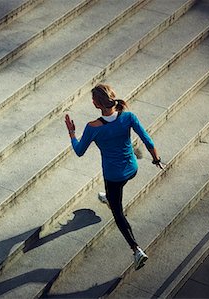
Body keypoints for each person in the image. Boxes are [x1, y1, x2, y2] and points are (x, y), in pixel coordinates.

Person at [64, 83, 164, 270]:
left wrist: (72, 133)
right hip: (132, 168)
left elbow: (79, 151)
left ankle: (136, 250)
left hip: (113, 175)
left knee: (117, 213)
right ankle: (109, 197)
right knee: (115, 190)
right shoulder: (128, 116)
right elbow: (147, 140)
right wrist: (156, 159)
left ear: (96, 104)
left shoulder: (93, 127)